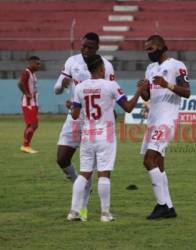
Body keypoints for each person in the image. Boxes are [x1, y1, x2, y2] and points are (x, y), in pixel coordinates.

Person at [67, 54, 147, 222]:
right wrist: (139, 91)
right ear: (102, 69)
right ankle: (105, 213)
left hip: (87, 135)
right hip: (105, 135)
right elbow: (128, 108)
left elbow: (74, 115)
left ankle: (74, 212)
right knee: (104, 174)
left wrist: (72, 106)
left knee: (84, 174)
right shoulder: (111, 85)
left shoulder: (80, 87)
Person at [53, 32, 115, 220]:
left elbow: (109, 95)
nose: (85, 50)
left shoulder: (106, 66)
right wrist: (62, 85)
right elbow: (56, 89)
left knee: (96, 166)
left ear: (97, 47)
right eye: (83, 46)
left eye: (89, 47)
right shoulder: (72, 61)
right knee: (62, 159)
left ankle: (81, 208)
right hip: (75, 117)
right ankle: (82, 187)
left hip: (95, 122)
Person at [138, 35, 191, 219]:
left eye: (151, 49)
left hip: (166, 120)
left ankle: (162, 205)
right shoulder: (150, 68)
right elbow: (147, 97)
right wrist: (143, 88)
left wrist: (167, 84)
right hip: (153, 120)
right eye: (147, 49)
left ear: (162, 48)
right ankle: (169, 207)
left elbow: (187, 92)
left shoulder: (177, 65)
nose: (148, 53)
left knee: (149, 160)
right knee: (158, 164)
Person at [18, 56, 41, 154]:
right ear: (31, 63)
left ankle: (25, 146)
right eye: (37, 63)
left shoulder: (33, 74)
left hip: (33, 103)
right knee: (34, 125)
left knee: (29, 125)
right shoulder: (26, 72)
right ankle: (25, 145)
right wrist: (26, 93)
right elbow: (19, 83)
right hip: (28, 103)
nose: (39, 65)